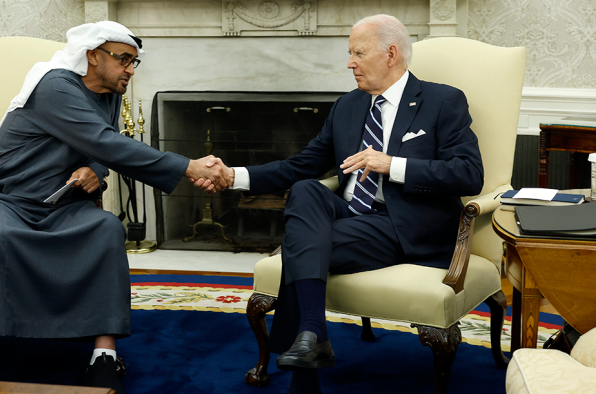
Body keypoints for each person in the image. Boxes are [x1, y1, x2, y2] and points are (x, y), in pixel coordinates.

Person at [194, 14, 484, 394]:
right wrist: (234, 176)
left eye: (358, 53)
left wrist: (391, 164)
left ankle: (305, 373)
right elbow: (302, 165)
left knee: (301, 245)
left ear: (391, 53)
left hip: (405, 226)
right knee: (306, 190)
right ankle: (314, 333)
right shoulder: (347, 106)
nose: (349, 63)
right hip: (350, 216)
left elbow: (468, 173)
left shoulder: (442, 100)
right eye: (350, 54)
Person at [0, 21, 229, 392]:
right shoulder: (55, 85)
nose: (131, 69)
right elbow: (104, 141)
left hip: (60, 201)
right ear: (93, 56)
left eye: (134, 62)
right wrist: (189, 167)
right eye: (124, 60)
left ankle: (104, 353)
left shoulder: (109, 95)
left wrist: (93, 169)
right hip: (3, 198)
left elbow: (101, 148)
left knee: (107, 228)